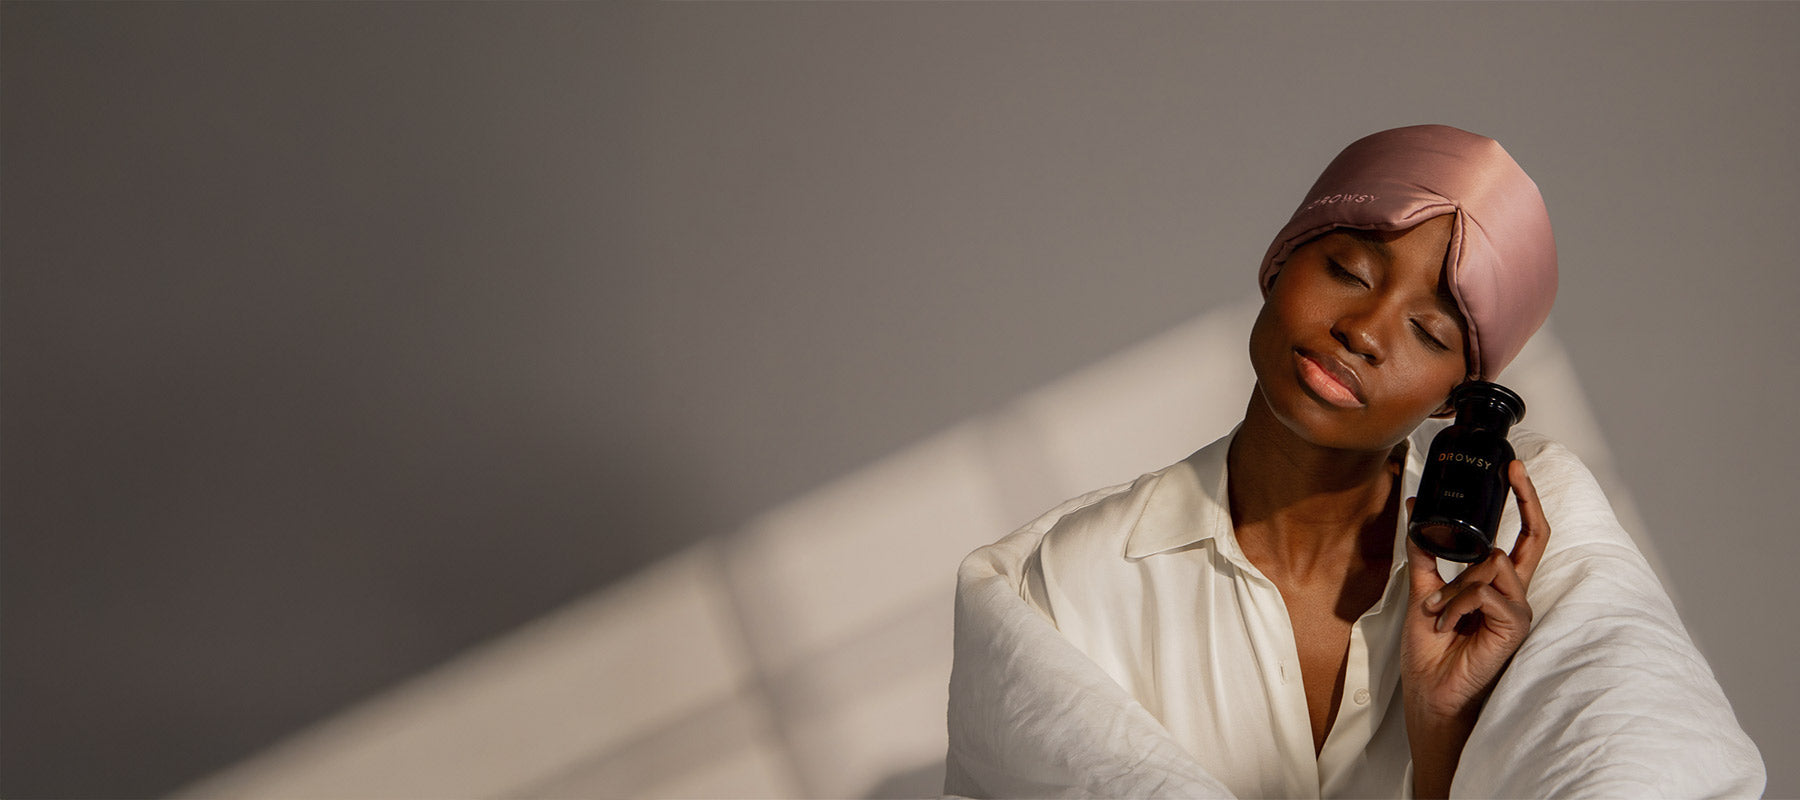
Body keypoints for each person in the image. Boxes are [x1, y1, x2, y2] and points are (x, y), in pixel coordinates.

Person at [944, 125, 1764, 798]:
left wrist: (1441, 739)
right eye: (1346, 270)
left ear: (1455, 399)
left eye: (1430, 333)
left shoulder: (1501, 584)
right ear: (1278, 264)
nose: (1364, 331)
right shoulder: (1072, 584)